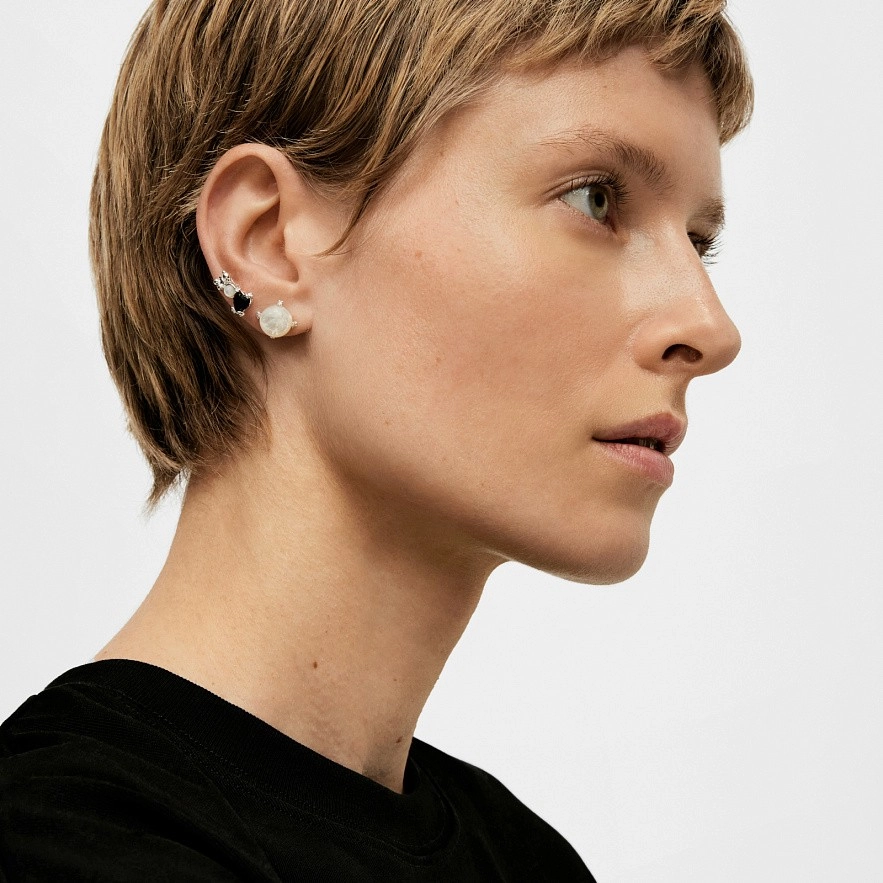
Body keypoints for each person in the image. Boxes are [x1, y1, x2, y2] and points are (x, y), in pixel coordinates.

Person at [0, 0, 753, 879]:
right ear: (266, 244)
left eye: (697, 241)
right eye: (596, 199)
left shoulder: (525, 861)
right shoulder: (57, 845)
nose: (709, 327)